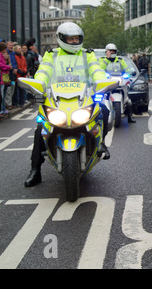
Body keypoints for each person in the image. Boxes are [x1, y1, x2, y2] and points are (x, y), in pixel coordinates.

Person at [24, 22, 109, 187]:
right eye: (71, 39)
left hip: (82, 96)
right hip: (57, 98)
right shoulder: (51, 55)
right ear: (62, 39)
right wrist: (37, 86)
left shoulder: (87, 54)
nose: (75, 42)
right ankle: (35, 169)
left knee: (103, 110)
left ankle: (102, 143)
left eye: (77, 38)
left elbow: (95, 70)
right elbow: (44, 72)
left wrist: (102, 82)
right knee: (41, 128)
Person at [99, 43, 136, 123]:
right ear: (107, 52)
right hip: (109, 81)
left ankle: (130, 117)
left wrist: (130, 73)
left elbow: (127, 69)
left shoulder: (120, 60)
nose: (112, 53)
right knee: (100, 98)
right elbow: (100, 69)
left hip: (119, 80)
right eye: (110, 51)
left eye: (113, 51)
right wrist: (106, 59)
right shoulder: (102, 60)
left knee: (128, 100)